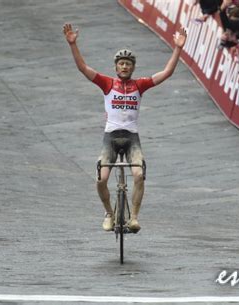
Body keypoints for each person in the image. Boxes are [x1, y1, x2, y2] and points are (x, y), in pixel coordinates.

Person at [63, 23, 186, 232]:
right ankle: (109, 214)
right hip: (110, 137)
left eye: (128, 64)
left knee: (138, 175)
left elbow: (167, 72)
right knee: (101, 180)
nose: (124, 67)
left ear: (133, 67)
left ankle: (135, 217)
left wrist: (178, 48)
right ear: (116, 67)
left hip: (132, 138)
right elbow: (83, 68)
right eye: (121, 63)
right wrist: (73, 44)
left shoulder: (140, 85)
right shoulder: (107, 83)